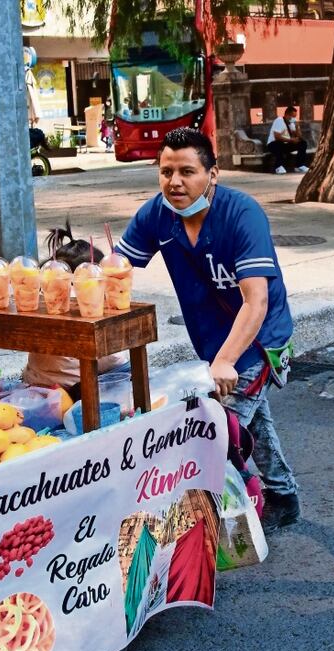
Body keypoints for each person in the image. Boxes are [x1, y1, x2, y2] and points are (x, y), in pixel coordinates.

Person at [114, 128, 300, 533]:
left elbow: (257, 301)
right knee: (253, 422)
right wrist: (80, 271)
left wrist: (227, 360)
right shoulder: (157, 214)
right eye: (166, 172)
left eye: (187, 171)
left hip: (257, 340)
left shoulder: (241, 214)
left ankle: (201, 528)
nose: (175, 182)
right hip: (213, 342)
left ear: (212, 174)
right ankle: (283, 495)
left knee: (219, 434)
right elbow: (116, 269)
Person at [23, 222, 129, 395]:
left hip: (35, 379)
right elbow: (109, 358)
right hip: (73, 387)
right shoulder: (83, 298)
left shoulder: (43, 295)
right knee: (124, 367)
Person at [266, 106, 309, 175]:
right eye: (293, 116)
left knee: (303, 143)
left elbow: (300, 136)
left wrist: (297, 127)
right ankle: (278, 167)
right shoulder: (279, 120)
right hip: (273, 144)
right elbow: (277, 136)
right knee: (279, 144)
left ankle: (299, 166)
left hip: (285, 144)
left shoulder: (291, 123)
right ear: (287, 115)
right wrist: (291, 140)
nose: (294, 118)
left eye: (295, 117)